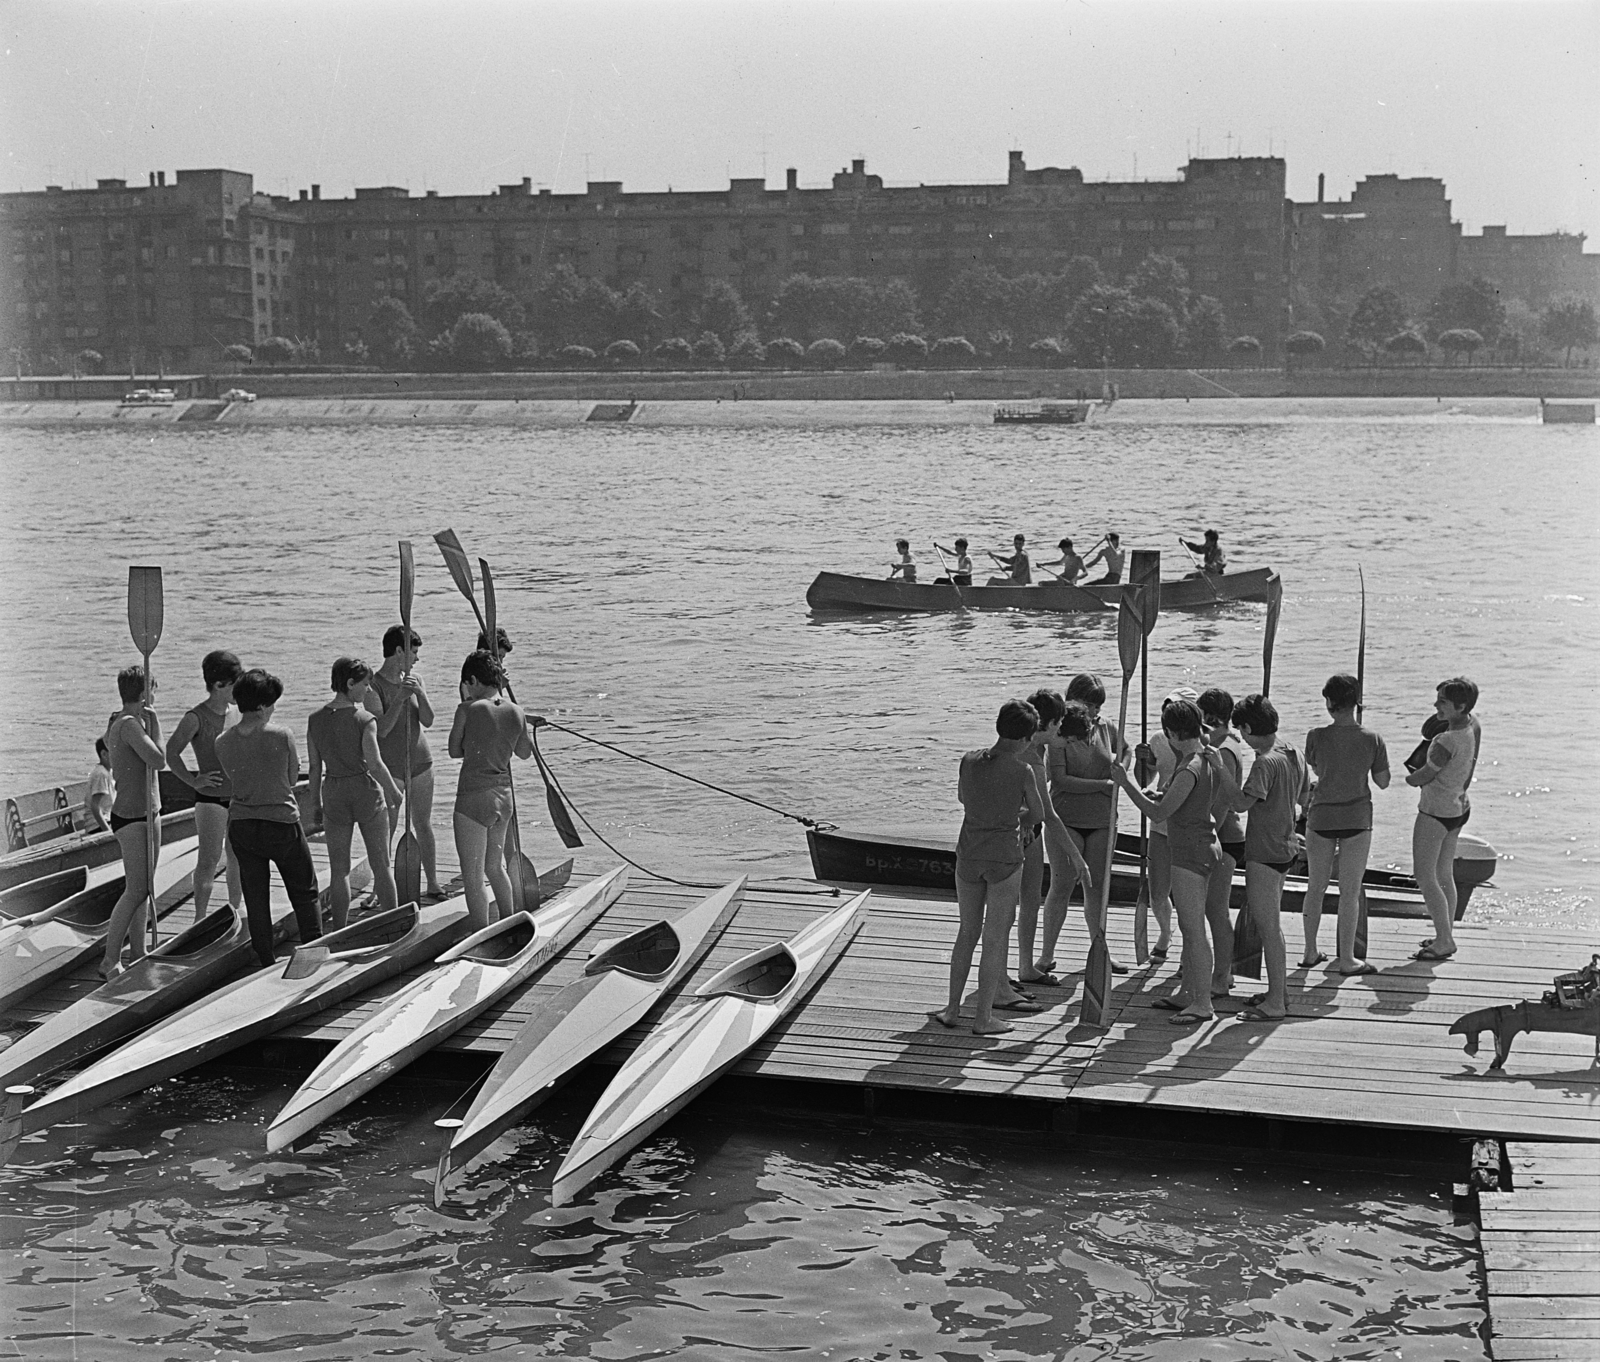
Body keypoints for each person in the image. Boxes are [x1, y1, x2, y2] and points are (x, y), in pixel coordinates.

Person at [932, 699, 1047, 1036]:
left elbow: (963, 799)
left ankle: (952, 1009)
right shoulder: (1023, 771)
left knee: (967, 932)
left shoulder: (968, 761)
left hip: (969, 854)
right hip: (1004, 858)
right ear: (1026, 740)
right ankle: (983, 1018)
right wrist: (1017, 818)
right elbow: (1037, 814)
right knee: (994, 939)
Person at [1114, 697, 1220, 1025]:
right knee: (1192, 929)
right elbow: (1183, 800)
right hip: (1203, 843)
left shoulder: (1189, 767)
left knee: (1192, 929)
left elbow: (1158, 814)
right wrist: (1161, 793)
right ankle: (1188, 992)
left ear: (1173, 733)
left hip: (1191, 851)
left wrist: (1127, 783)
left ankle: (1202, 1003)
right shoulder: (1205, 757)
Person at [1210, 693, 1310, 1021]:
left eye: (1242, 732)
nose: (1242, 739)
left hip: (1265, 851)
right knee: (1271, 923)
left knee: (1269, 928)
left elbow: (1240, 804)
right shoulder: (1292, 751)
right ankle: (1276, 991)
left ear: (1251, 728)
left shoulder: (1265, 761)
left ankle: (1276, 1003)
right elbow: (1305, 793)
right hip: (1286, 846)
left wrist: (1219, 767)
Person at [215, 669, 323, 968]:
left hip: (242, 825)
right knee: (304, 892)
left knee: (256, 896)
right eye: (272, 703)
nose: (274, 708)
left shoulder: (222, 741)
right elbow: (290, 778)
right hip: (281, 823)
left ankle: (265, 958)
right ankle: (312, 953)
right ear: (262, 706)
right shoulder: (281, 734)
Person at [1301, 672, 1391, 975]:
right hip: (1356, 818)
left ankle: (1310, 951)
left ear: (1329, 702)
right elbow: (1383, 782)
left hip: (1321, 817)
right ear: (1356, 703)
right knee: (1349, 891)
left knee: (1316, 887)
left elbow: (1315, 766)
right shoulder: (1372, 738)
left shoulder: (1315, 735)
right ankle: (1348, 958)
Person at [1037, 685, 1126, 977]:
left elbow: (1125, 752)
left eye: (1097, 705)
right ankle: (1046, 956)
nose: (1093, 710)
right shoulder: (1062, 731)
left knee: (1097, 889)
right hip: (1066, 818)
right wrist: (1104, 786)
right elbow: (1060, 780)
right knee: (1061, 886)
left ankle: (1099, 952)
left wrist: (1121, 767)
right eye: (1089, 703)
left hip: (1102, 819)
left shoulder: (1107, 726)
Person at [308, 657, 402, 929]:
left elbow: (315, 767)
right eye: (365, 684)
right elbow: (374, 764)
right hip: (364, 791)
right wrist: (393, 790)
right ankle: (393, 926)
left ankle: (338, 930)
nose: (369, 690)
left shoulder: (315, 720)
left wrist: (315, 803)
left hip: (333, 791)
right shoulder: (364, 719)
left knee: (339, 870)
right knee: (381, 864)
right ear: (350, 684)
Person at [450, 649, 536, 930]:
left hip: (474, 796)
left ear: (473, 681)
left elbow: (454, 750)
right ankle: (510, 926)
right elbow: (524, 752)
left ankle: (480, 934)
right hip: (503, 796)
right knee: (495, 867)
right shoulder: (516, 711)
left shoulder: (467, 709)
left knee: (473, 876)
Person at [1015, 689, 1093, 986]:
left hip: (1029, 830)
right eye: (1060, 726)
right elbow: (1049, 814)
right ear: (1049, 724)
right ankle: (1004, 974)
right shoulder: (1030, 758)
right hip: (1020, 832)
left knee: (1031, 900)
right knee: (1013, 905)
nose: (1063, 732)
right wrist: (1076, 857)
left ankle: (1026, 967)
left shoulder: (1040, 749)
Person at [165, 649, 244, 924]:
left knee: (237, 859)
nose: (240, 689)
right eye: (236, 684)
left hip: (237, 798)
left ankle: (235, 912)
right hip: (209, 800)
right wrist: (193, 780)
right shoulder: (195, 717)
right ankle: (199, 919)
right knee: (209, 860)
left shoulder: (237, 713)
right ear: (220, 685)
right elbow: (171, 752)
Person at [1406, 677, 1481, 962]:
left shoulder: (1445, 741)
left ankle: (1445, 941)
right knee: (1444, 873)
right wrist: (1443, 716)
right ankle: (1444, 932)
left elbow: (1424, 775)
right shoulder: (1473, 725)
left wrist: (1409, 778)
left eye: (1442, 702)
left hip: (1435, 812)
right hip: (1459, 806)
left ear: (1460, 706)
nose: (1435, 705)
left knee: (1425, 876)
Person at [98, 665, 166, 979]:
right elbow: (158, 760)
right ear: (142, 694)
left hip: (147, 813)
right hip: (133, 816)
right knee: (136, 890)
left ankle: (138, 951)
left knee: (145, 889)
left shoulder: (130, 721)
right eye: (152, 689)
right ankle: (110, 959)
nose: (156, 695)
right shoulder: (128, 725)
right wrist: (157, 725)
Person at [369, 624, 444, 900]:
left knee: (423, 824)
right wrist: (400, 698)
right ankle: (380, 889)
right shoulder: (373, 687)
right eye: (413, 652)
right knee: (386, 830)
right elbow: (382, 730)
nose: (417, 658)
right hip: (391, 768)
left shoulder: (416, 679)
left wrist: (419, 695)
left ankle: (433, 882)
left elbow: (429, 720)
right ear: (398, 651)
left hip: (421, 762)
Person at [1198, 687, 1247, 1000]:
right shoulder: (1221, 745)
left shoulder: (1225, 750)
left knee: (1216, 910)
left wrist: (1204, 829)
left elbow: (1223, 801)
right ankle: (1218, 970)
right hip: (1219, 835)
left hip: (1224, 837)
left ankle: (1222, 974)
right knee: (1208, 908)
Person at [87, 738, 115, 833]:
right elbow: (95, 807)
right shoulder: (101, 774)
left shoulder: (108, 772)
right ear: (104, 754)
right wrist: (107, 832)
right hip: (97, 825)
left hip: (108, 819)